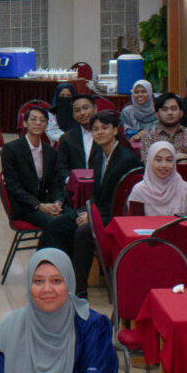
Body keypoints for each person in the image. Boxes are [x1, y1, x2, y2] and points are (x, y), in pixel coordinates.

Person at [0, 249, 116, 373]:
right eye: (38, 281)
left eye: (56, 281)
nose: (47, 289)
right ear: (29, 286)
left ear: (69, 283)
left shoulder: (92, 327)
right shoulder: (7, 331)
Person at [70, 110, 141, 296]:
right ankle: (58, 277)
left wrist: (93, 218)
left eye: (104, 128)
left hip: (116, 217)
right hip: (99, 211)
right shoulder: (97, 155)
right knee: (61, 223)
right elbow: (95, 193)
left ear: (115, 131)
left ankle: (80, 291)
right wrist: (89, 212)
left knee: (83, 232)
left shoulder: (127, 160)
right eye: (95, 129)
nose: (100, 132)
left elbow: (120, 206)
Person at [1, 104, 78, 263]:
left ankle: (66, 263)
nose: (38, 123)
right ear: (25, 123)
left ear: (46, 125)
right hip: (24, 206)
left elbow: (55, 183)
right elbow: (14, 187)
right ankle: (44, 263)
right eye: (33, 119)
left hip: (46, 201)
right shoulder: (11, 149)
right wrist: (39, 205)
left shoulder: (50, 152)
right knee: (57, 224)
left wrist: (57, 202)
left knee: (74, 217)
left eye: (42, 120)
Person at [127, 140, 187, 219]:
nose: (164, 165)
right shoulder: (140, 191)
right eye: (158, 160)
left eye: (169, 160)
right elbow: (136, 223)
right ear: (150, 162)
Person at [141, 94, 187, 163]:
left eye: (174, 109)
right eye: (164, 109)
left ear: (181, 113)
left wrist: (163, 160)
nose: (170, 113)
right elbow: (148, 163)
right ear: (157, 115)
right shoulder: (149, 136)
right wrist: (176, 157)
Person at [54, 92, 99, 174]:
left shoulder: (107, 134)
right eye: (77, 110)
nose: (82, 113)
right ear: (73, 115)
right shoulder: (66, 138)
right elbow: (61, 167)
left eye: (85, 108)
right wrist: (70, 179)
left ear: (95, 109)